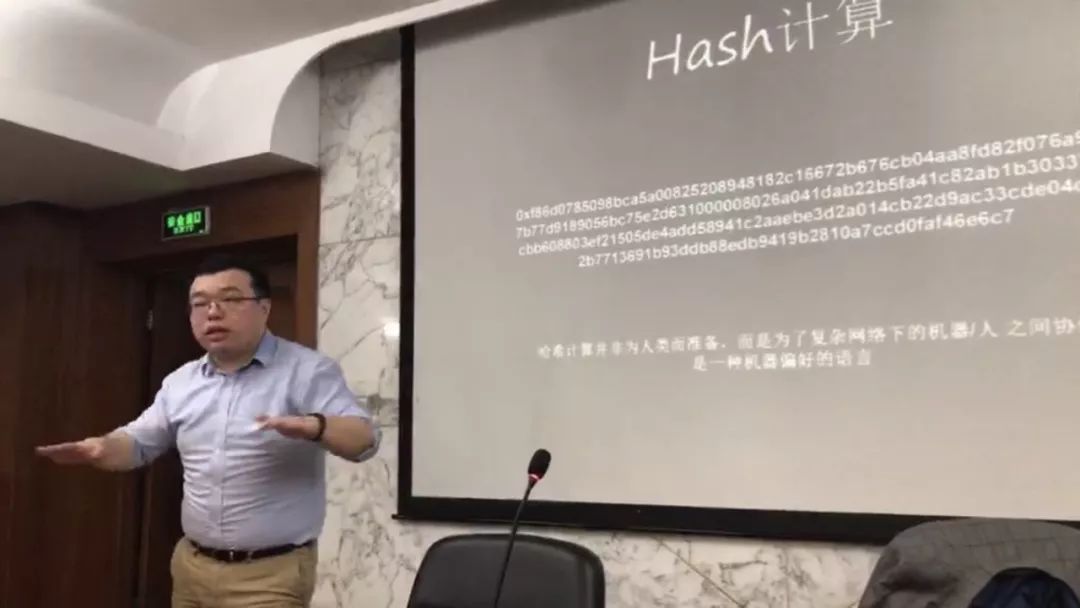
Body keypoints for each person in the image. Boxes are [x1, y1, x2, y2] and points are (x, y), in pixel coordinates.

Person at [36, 254, 380, 607]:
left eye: (230, 299)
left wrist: (316, 426)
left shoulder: (307, 371)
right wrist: (103, 447)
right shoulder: (181, 382)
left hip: (269, 576)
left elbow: (365, 440)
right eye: (200, 303)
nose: (213, 312)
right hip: (192, 567)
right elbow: (139, 443)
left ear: (264, 308)